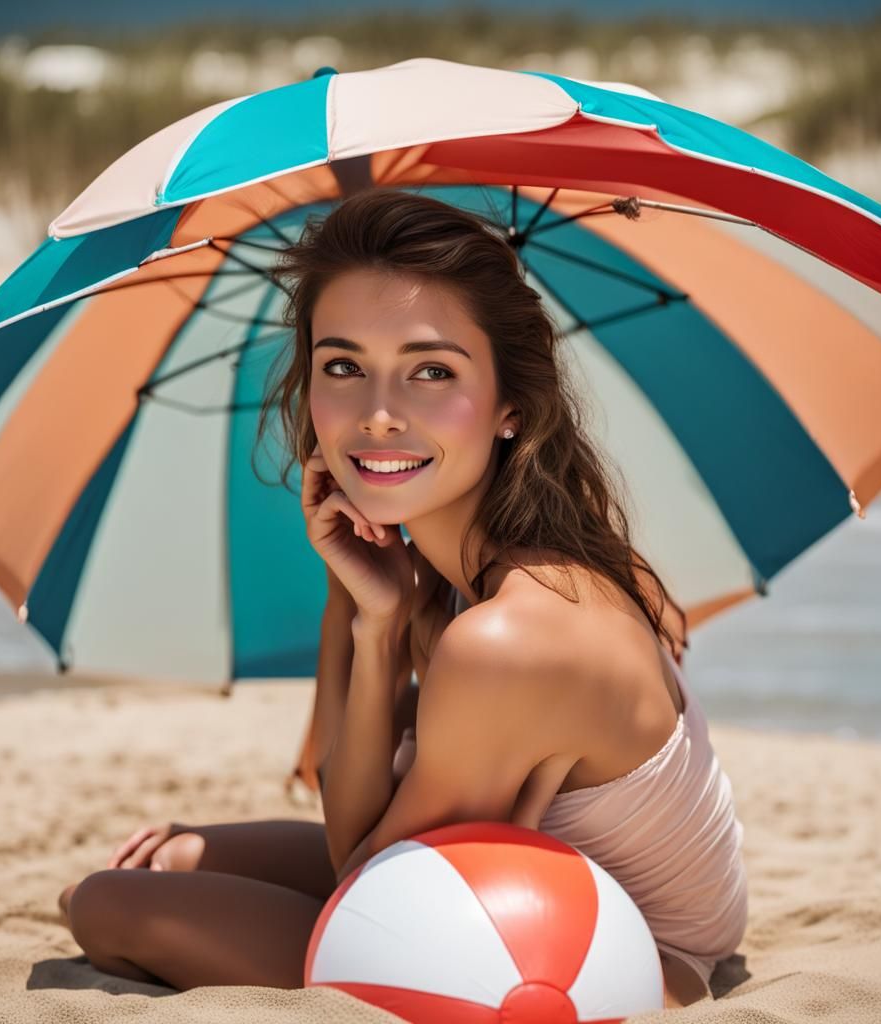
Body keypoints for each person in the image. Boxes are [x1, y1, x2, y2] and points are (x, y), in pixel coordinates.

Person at [57, 187, 746, 1007]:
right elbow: (340, 773)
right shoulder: (521, 560)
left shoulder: (510, 638)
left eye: (430, 371)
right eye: (342, 366)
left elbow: (367, 881)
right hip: (515, 900)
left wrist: (375, 631)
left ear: (511, 408)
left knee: (107, 903)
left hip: (600, 961)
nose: (378, 416)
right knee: (168, 860)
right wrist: (363, 603)